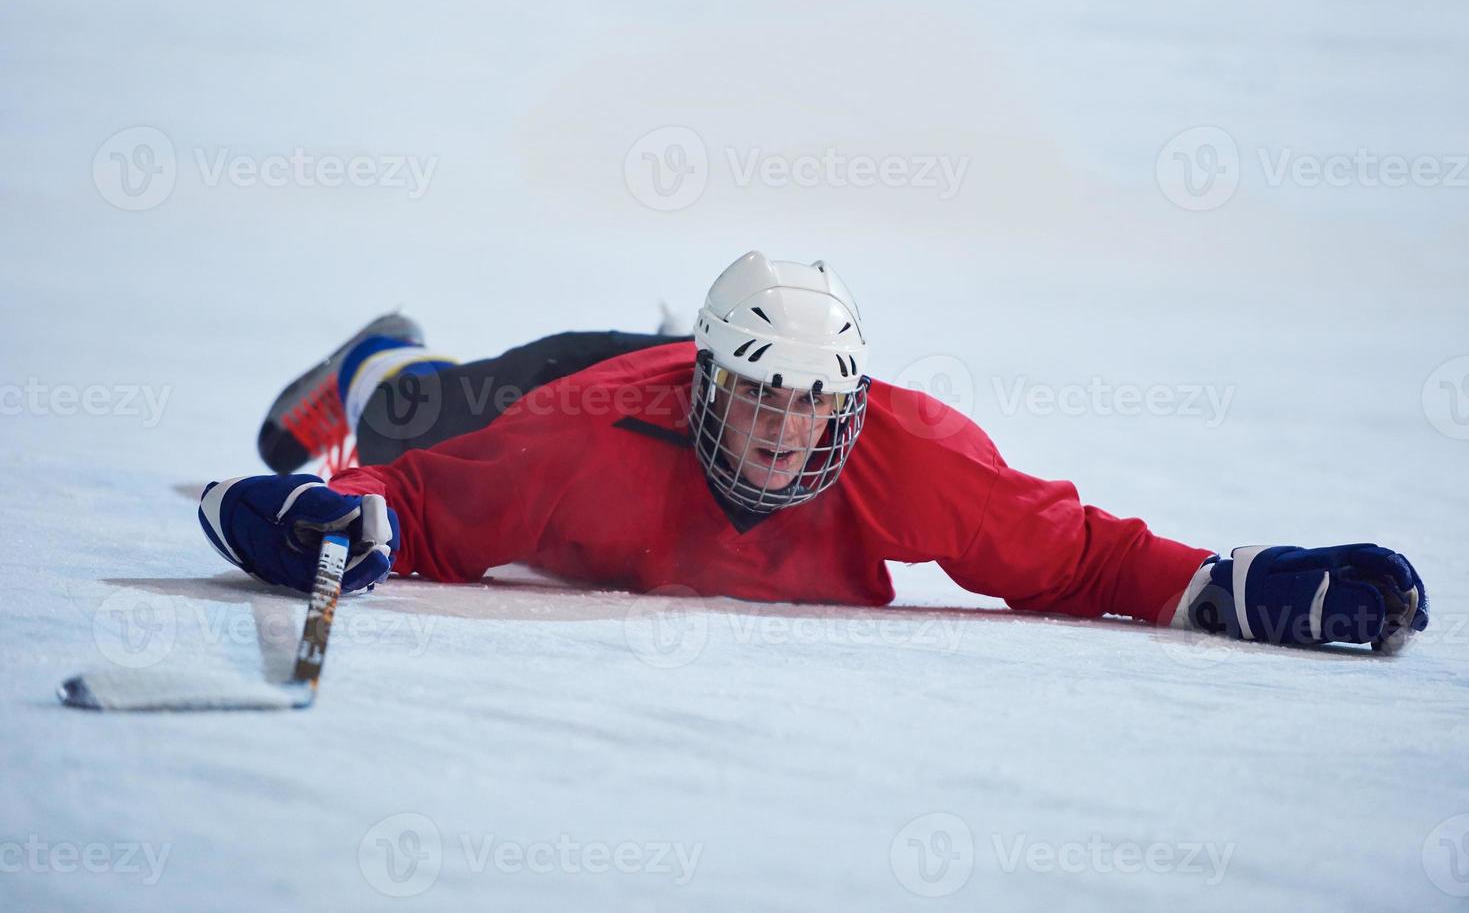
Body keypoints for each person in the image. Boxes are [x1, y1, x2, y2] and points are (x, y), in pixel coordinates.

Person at [198, 251, 1429, 652]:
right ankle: (373, 354)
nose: (786, 435)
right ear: (706, 390)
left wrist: (1221, 582)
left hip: (671, 355)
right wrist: (345, 515)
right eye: (759, 402)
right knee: (422, 406)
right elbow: (416, 501)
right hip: (571, 375)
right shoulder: (591, 432)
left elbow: (1076, 555)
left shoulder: (908, 451)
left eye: (809, 407)